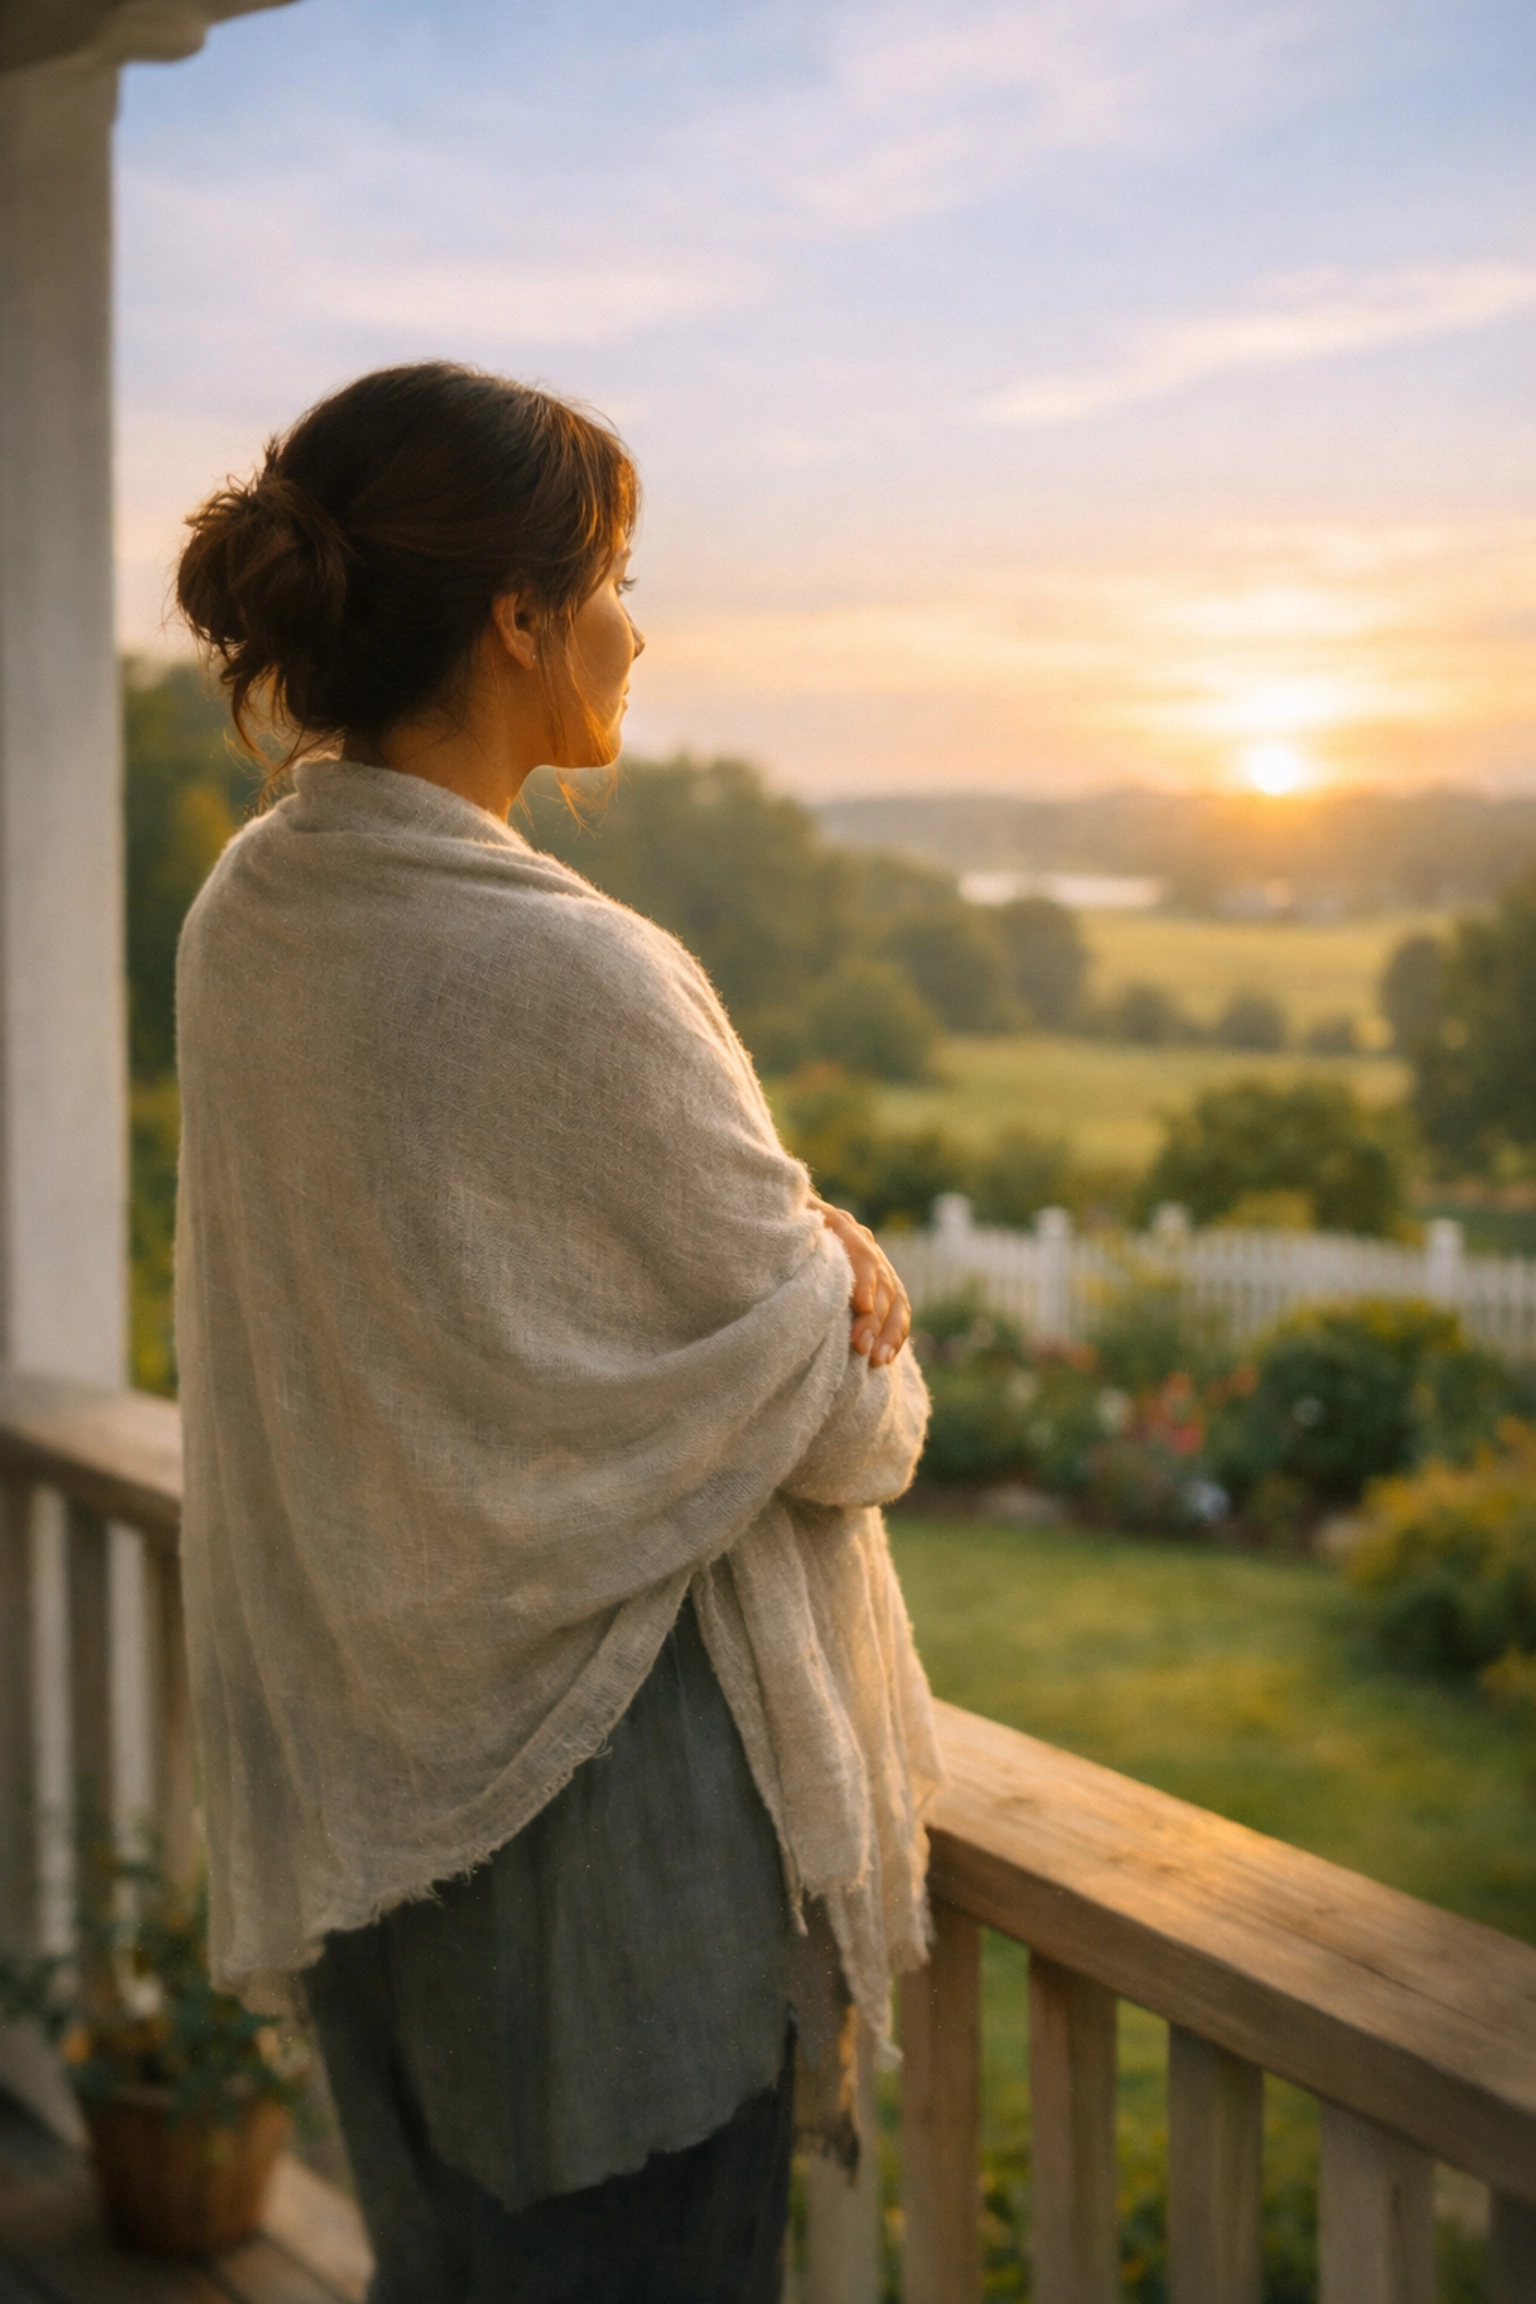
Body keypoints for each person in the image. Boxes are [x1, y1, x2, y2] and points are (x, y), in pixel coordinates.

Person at [173, 361, 940, 2304]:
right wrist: (835, 1266)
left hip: (382, 1787)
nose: (635, 622)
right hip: (616, 1866)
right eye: (608, 576)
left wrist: (790, 1297)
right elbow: (860, 1430)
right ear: (516, 619)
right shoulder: (574, 971)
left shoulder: (252, 911)